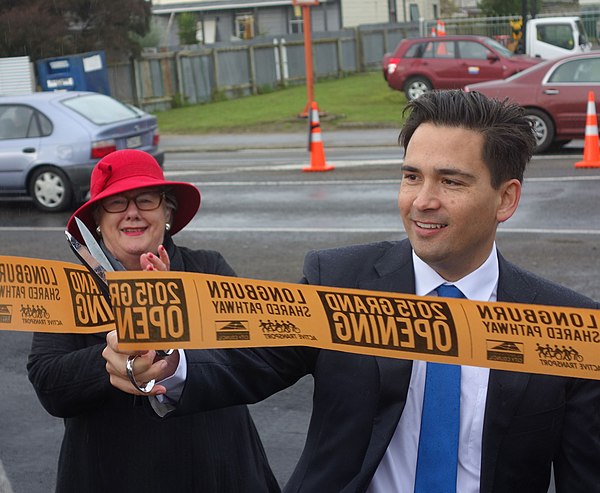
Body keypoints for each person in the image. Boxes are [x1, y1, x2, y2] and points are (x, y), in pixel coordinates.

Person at [103, 91, 600, 493]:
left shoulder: (569, 328)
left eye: (451, 181)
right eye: (411, 177)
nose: (422, 202)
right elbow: (251, 361)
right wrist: (167, 362)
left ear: (506, 198)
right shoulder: (339, 278)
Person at [27, 149, 280, 493]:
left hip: (217, 469)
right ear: (98, 221)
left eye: (146, 200)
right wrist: (122, 356)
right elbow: (49, 382)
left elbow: (249, 357)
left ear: (167, 212)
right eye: (116, 203)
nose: (132, 212)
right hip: (110, 474)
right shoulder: (71, 288)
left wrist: (173, 317)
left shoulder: (208, 268)